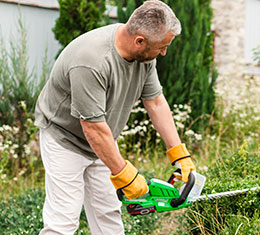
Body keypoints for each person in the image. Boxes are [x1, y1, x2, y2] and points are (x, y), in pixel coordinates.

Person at [35, 0, 196, 234]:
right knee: (63, 221)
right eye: (162, 47)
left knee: (108, 215)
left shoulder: (145, 57)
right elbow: (92, 128)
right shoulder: (91, 61)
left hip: (103, 137)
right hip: (65, 138)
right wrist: (125, 175)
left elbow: (156, 102)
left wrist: (179, 153)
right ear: (139, 41)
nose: (164, 52)